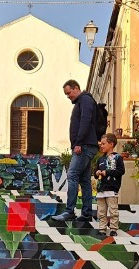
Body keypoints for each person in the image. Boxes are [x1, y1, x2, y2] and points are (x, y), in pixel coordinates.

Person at [52, 80, 99, 222]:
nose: (68, 96)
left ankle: (69, 211)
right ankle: (86, 214)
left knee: (72, 175)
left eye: (69, 93)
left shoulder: (85, 100)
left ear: (76, 88)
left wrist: (78, 142)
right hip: (86, 145)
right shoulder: (83, 101)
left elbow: (85, 120)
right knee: (84, 180)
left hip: (84, 145)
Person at [93, 133, 125, 237]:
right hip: (101, 190)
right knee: (101, 211)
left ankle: (113, 229)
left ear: (111, 144)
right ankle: (102, 229)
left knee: (113, 211)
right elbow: (95, 173)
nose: (101, 146)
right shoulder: (100, 159)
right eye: (100, 144)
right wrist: (97, 173)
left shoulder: (117, 157)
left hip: (112, 189)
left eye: (103, 144)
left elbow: (121, 171)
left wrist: (108, 172)